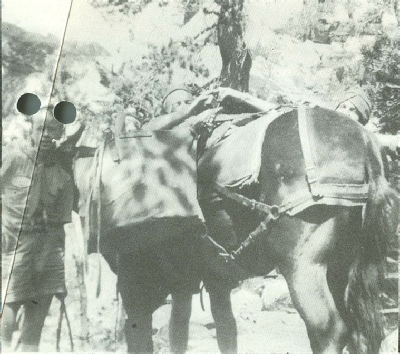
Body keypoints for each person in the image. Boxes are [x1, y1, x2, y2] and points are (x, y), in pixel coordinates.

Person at [2, 109, 74, 352]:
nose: (45, 135)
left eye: (52, 130)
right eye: (40, 129)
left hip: (48, 245)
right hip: (13, 243)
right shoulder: (14, 156)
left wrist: (50, 256)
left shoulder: (62, 171)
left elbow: (63, 218)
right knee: (8, 304)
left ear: (60, 134)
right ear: (31, 130)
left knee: (38, 310)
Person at [335, 86, 400, 157]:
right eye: (343, 107)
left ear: (361, 118)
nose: (345, 113)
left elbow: (373, 138)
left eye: (352, 110)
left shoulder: (361, 140)